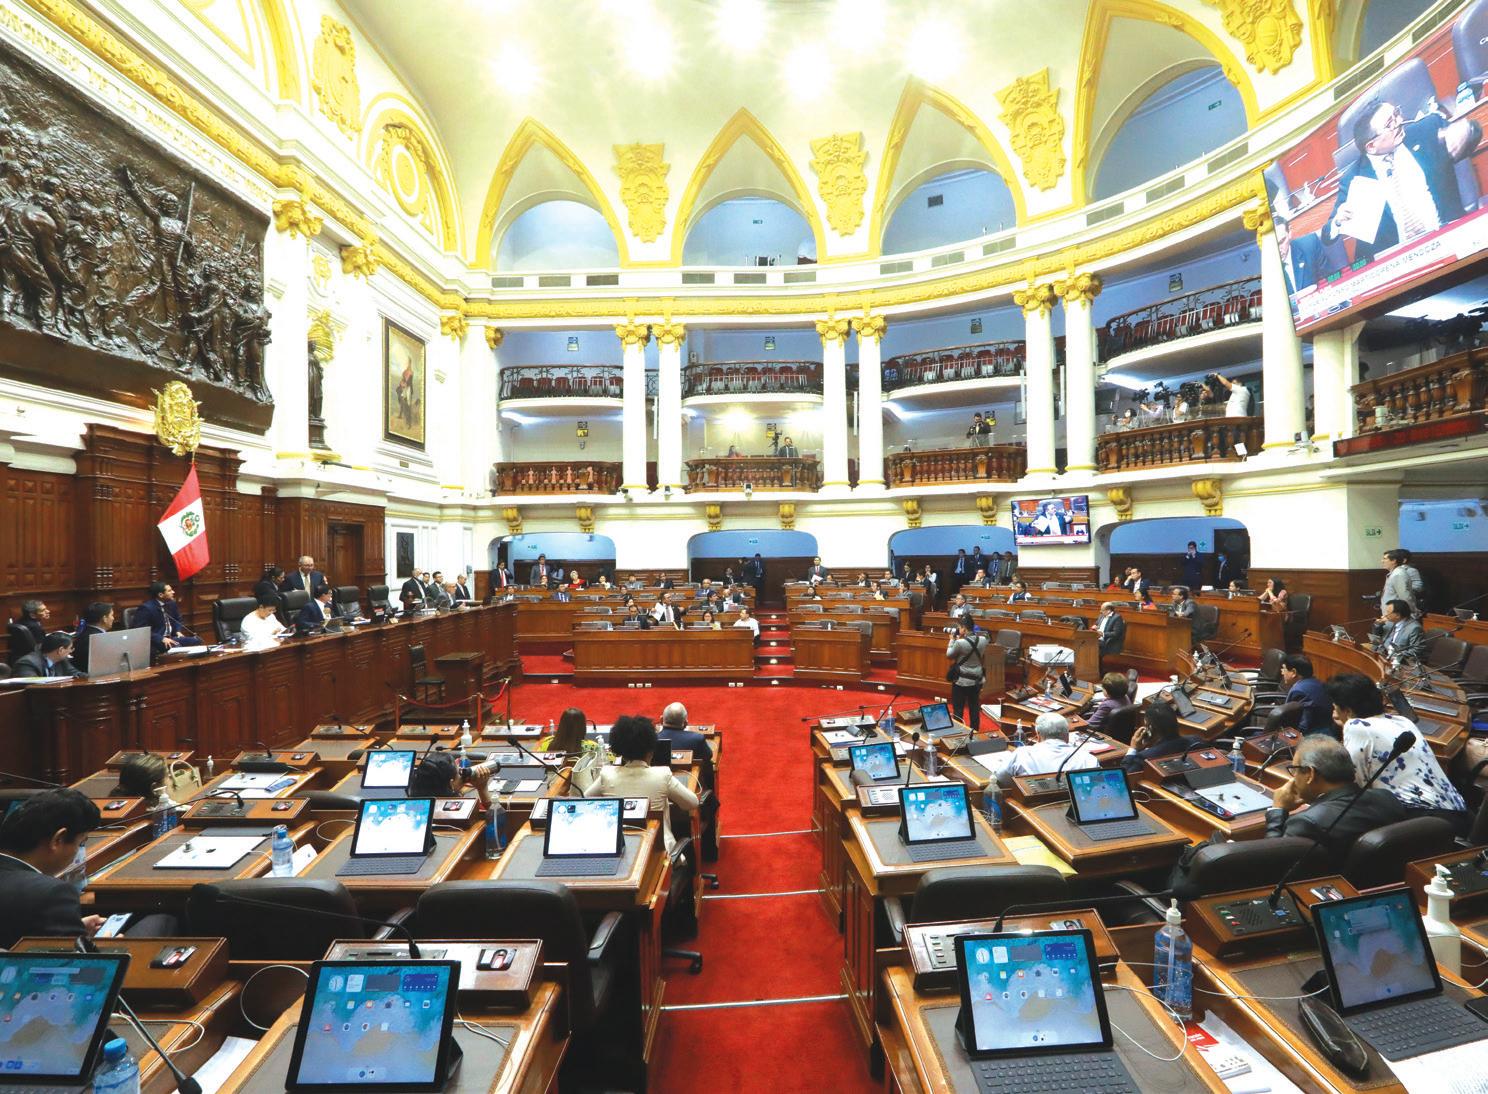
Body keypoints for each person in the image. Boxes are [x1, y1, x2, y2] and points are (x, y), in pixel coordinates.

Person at [1323, 98, 1481, 264]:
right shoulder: (1354, 177)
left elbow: (1473, 134)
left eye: (1396, 113)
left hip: (1449, 240)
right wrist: (1338, 221)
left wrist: (1468, 129)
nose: (1400, 121)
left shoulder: (1427, 130)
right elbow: (1328, 235)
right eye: (1390, 123)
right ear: (1371, 146)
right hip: (1400, 261)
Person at [1326, 672, 1466, 827]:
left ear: (1348, 711)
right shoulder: (1403, 721)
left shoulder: (1355, 726)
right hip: (1456, 812)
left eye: (1335, 708)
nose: (1334, 714)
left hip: (1420, 818)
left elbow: (1356, 784)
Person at [1263, 734, 1408, 855]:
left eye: (1295, 770)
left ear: (1310, 774)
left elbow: (1274, 864)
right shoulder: (1387, 798)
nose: (1294, 777)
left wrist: (1277, 811)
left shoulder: (1307, 823)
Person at [0, 789, 104, 947]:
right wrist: (107, 945)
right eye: (81, 843)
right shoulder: (52, 894)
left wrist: (68, 926)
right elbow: (69, 960)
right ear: (58, 840)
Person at [586, 715, 699, 858]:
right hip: (659, 853)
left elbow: (586, 799)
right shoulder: (663, 774)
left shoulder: (607, 774)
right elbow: (692, 803)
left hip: (615, 849)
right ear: (651, 750)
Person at [981, 713, 1101, 787]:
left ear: (1038, 735)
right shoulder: (1088, 759)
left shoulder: (1022, 754)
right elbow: (1098, 787)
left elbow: (999, 781)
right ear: (1067, 735)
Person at [1122, 701, 1199, 773]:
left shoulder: (1145, 756)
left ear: (1150, 727)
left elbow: (1126, 773)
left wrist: (1133, 749)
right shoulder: (1196, 740)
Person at [944, 617, 987, 732]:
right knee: (974, 708)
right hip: (976, 680)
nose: (959, 630)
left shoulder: (960, 643)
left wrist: (952, 640)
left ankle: (958, 732)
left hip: (961, 681)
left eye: (959, 628)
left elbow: (949, 655)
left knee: (958, 709)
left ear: (964, 628)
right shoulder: (983, 640)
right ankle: (975, 732)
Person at [409, 750, 495, 808]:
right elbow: (490, 816)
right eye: (459, 772)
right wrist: (482, 788)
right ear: (451, 784)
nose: (462, 774)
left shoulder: (414, 806)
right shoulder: (459, 808)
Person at [135, 581, 199, 655]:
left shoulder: (171, 604)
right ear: (161, 595)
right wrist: (161, 638)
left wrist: (177, 631)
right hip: (157, 641)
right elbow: (142, 630)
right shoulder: (146, 608)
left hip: (171, 637)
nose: (173, 592)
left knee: (196, 641)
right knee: (177, 646)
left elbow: (178, 619)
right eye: (169, 591)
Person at [1280, 655, 1334, 735]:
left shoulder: (1299, 691)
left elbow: (1303, 726)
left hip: (1316, 736)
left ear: (1294, 672)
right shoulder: (1316, 682)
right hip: (1327, 728)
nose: (1282, 672)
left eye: (1284, 669)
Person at [15, 632, 82, 679]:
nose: (71, 651)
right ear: (61, 650)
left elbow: (77, 674)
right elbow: (32, 687)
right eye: (70, 648)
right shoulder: (27, 663)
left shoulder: (62, 661)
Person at [71, 602, 114, 674]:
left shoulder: (85, 633)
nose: (113, 618)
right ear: (104, 619)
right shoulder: (99, 639)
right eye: (111, 615)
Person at [1380, 549, 1422, 617]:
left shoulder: (1398, 574)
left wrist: (1414, 610)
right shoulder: (1394, 573)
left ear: (1394, 561)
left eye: (1385, 559)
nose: (1382, 561)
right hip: (1391, 614)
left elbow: (1405, 596)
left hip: (1397, 615)